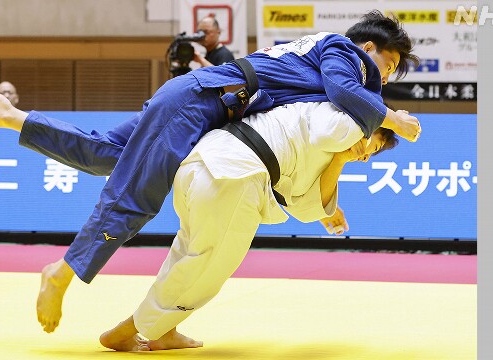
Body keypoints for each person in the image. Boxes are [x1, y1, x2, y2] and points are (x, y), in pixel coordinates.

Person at [0, 10, 421, 334]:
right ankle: (63, 270)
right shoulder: (346, 54)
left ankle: (12, 116)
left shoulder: (320, 51)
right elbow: (344, 90)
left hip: (199, 98)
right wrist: (392, 117)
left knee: (108, 155)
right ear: (369, 47)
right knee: (135, 194)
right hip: (203, 101)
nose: (383, 76)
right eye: (390, 64)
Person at [97, 101, 399, 351]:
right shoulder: (338, 120)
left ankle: (165, 330)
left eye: (370, 156)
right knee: (208, 266)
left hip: (200, 164)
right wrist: (397, 122)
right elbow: (319, 178)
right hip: (234, 178)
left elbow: (306, 209)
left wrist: (341, 162)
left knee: (188, 253)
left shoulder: (309, 114)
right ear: (369, 123)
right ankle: (129, 329)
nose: (365, 154)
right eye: (371, 144)